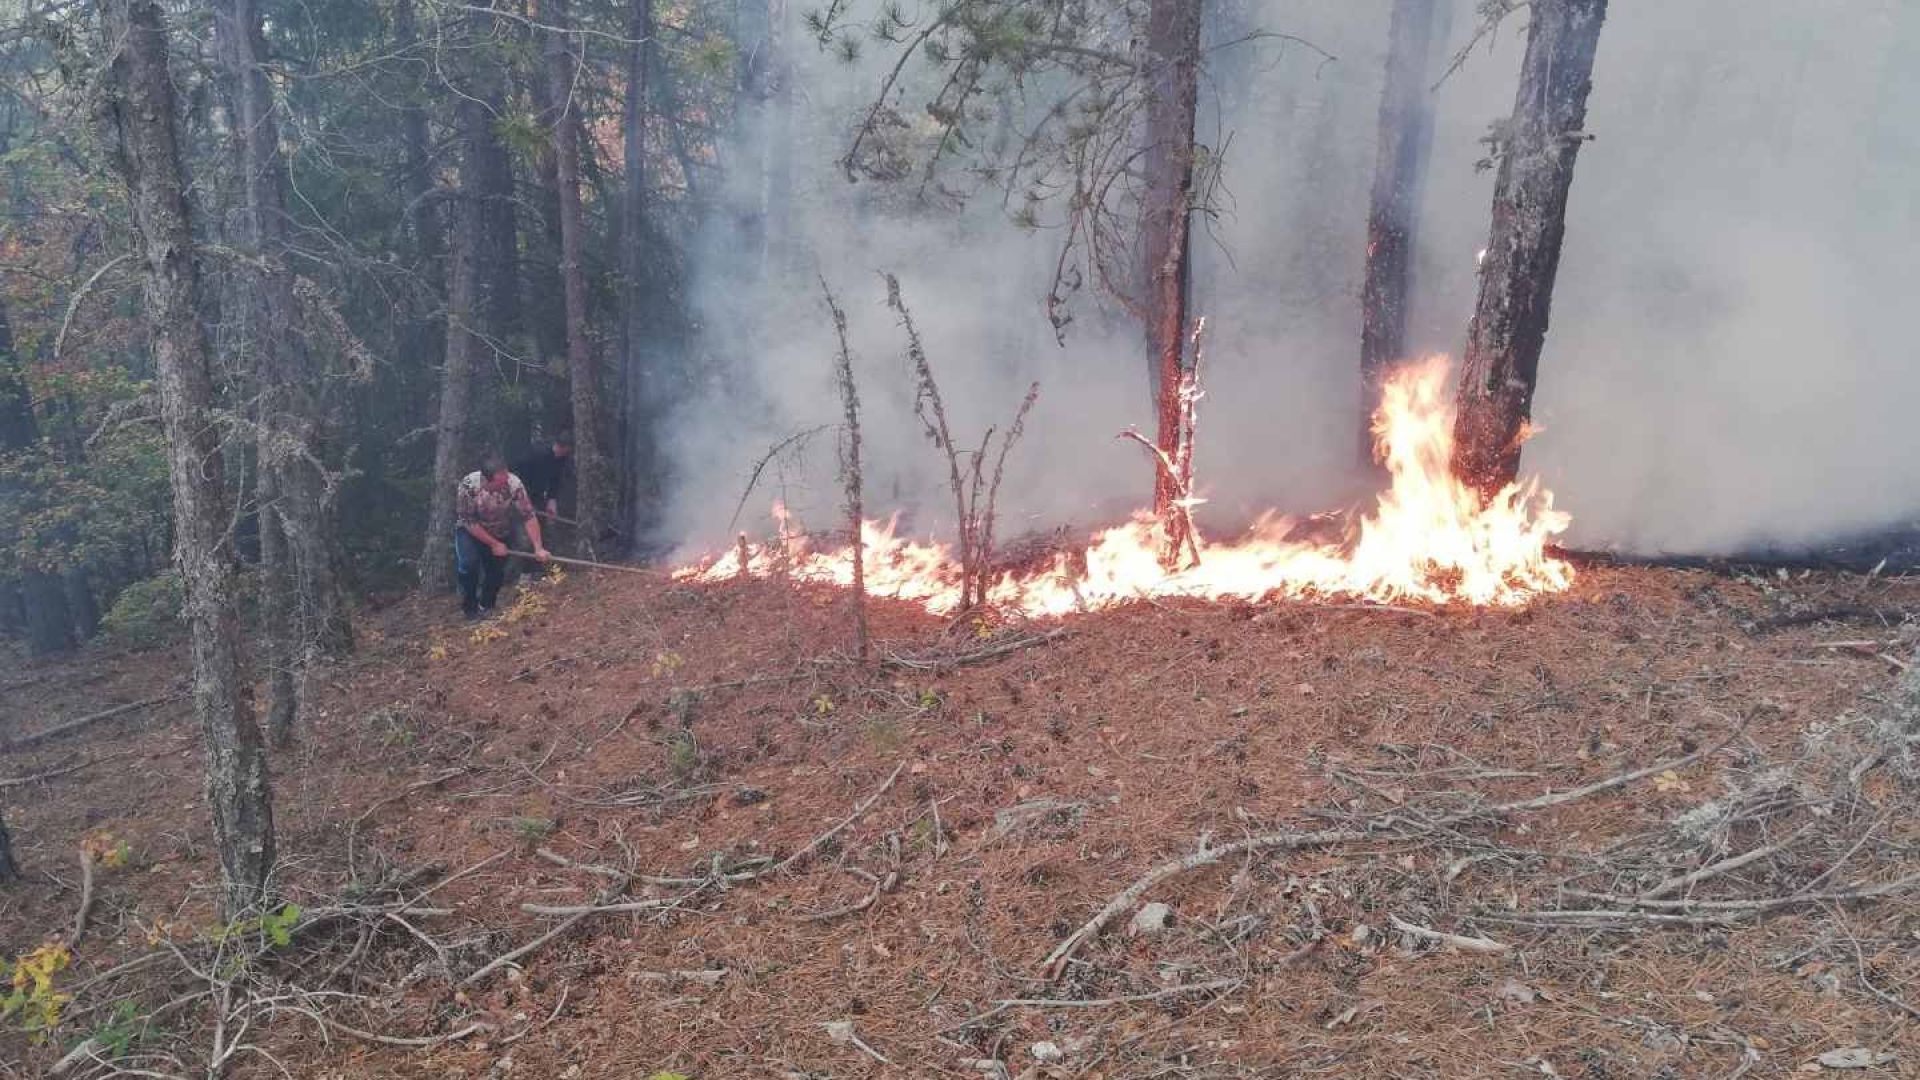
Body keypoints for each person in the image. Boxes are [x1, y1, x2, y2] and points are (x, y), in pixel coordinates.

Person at [454, 452, 549, 618]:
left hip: (500, 529)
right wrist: (493, 544)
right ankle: (470, 609)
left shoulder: (514, 484)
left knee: (496, 571)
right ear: (486, 480)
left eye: (506, 478)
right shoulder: (468, 486)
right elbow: (469, 521)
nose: (505, 483)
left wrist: (538, 547)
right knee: (468, 564)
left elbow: (528, 515)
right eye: (500, 482)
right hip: (470, 530)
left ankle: (487, 606)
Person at [512, 432, 573, 524]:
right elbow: (519, 470)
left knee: (542, 521)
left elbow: (555, 479)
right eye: (562, 449)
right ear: (558, 445)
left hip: (539, 493)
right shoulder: (538, 453)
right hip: (522, 489)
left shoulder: (561, 460)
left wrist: (551, 499)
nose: (563, 453)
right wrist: (523, 497)